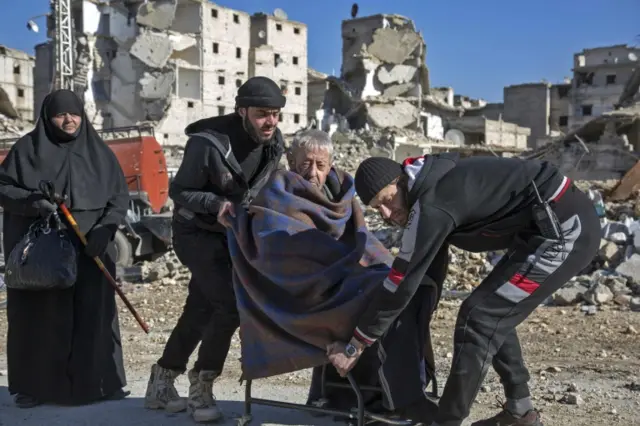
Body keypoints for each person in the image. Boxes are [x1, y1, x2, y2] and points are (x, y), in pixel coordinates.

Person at [327, 154, 601, 426]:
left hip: (564, 230)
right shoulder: (429, 182)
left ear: (400, 181)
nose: (386, 214)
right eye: (377, 209)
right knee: (488, 308)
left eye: (387, 200)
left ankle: (447, 421)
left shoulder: (432, 205)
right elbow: (421, 276)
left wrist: (356, 344)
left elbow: (401, 282)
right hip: (540, 230)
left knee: (480, 318)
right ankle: (520, 412)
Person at [144, 76, 286, 423]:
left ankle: (161, 382)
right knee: (228, 305)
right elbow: (179, 192)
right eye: (262, 114)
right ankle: (202, 385)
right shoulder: (207, 145)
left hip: (232, 233)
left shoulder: (273, 143)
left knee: (200, 308)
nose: (270, 122)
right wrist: (216, 204)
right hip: (195, 231)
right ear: (242, 112)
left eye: (276, 114)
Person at [287, 130, 443, 422]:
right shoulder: (281, 196)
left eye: (320, 165)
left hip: (345, 281)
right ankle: (395, 398)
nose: (312, 173)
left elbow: (363, 242)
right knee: (382, 296)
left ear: (330, 166)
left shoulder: (340, 196)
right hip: (311, 289)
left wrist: (390, 269)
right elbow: (286, 253)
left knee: (403, 287)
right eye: (305, 163)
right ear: (291, 161)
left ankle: (395, 392)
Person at [0, 89, 130, 408]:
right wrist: (34, 202)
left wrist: (105, 229)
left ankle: (101, 384)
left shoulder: (100, 153)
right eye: (61, 114)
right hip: (46, 252)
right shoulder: (26, 150)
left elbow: (118, 198)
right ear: (48, 117)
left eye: (74, 114)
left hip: (92, 250)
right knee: (41, 317)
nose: (69, 120)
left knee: (94, 316)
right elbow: (4, 189)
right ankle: (35, 388)